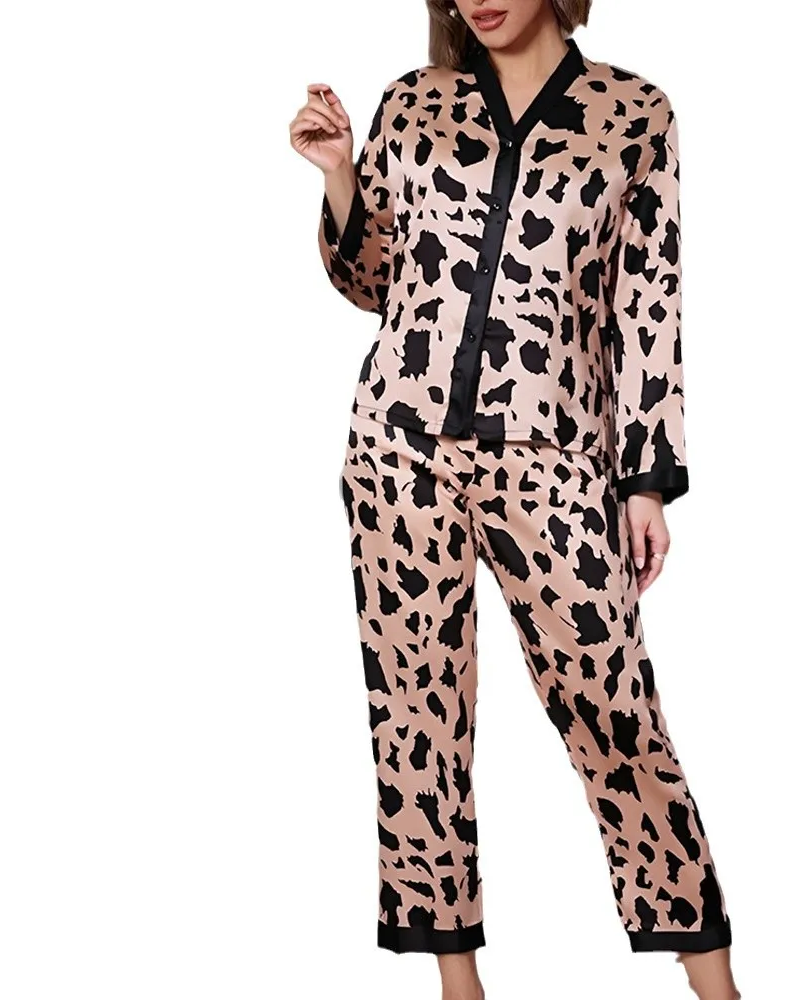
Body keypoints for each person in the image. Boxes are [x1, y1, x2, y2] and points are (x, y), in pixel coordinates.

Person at [290, 2, 740, 997]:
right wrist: (340, 177)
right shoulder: (414, 103)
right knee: (416, 718)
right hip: (399, 448)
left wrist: (646, 479)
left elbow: (648, 302)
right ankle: (460, 985)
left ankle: (716, 984)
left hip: (556, 458)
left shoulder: (634, 114)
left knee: (615, 715)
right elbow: (374, 281)